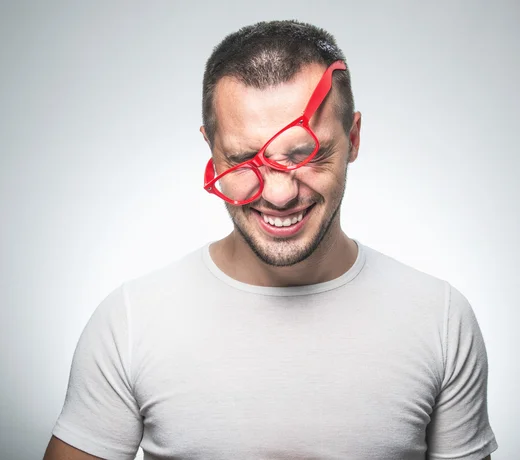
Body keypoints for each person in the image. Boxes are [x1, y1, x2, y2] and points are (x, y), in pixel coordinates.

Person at [44, 20, 497, 460]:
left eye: (309, 155)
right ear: (211, 150)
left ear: (353, 139)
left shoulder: (440, 319)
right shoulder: (130, 322)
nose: (280, 195)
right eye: (244, 160)